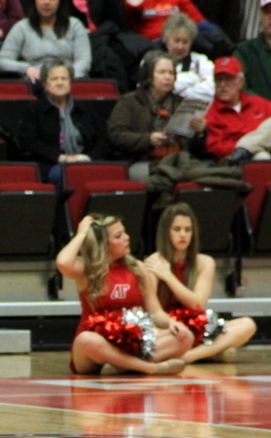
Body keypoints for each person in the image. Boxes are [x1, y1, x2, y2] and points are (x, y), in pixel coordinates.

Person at [56, 213, 192, 375]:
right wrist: (81, 234)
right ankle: (149, 368)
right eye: (118, 236)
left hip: (131, 344)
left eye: (125, 233)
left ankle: (120, 365)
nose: (127, 237)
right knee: (86, 340)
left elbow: (155, 311)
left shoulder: (137, 268)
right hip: (96, 347)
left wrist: (171, 323)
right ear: (104, 244)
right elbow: (63, 263)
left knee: (185, 337)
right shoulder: (87, 269)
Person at [145, 203, 257, 363]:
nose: (183, 235)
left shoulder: (205, 262)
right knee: (159, 337)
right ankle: (214, 352)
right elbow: (154, 313)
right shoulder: (153, 263)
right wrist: (172, 324)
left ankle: (188, 357)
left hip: (195, 326)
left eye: (187, 230)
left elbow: (197, 305)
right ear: (165, 232)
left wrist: (169, 277)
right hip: (167, 328)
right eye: (177, 229)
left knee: (248, 325)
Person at [107, 50, 206, 182]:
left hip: (178, 160)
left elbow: (194, 148)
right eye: (161, 72)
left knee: (201, 175)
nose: (167, 77)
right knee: (167, 177)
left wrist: (199, 133)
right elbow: (116, 135)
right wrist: (148, 139)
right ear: (149, 75)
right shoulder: (130, 102)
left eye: (171, 73)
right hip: (143, 161)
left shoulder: (181, 103)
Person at [17, 58, 110, 194]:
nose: (60, 83)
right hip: (51, 164)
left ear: (70, 83)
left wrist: (87, 158)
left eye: (64, 79)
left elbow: (103, 140)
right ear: (45, 84)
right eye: (54, 79)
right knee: (65, 175)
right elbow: (29, 142)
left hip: (85, 161)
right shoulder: (34, 110)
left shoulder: (85, 108)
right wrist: (62, 158)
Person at [203, 56, 271, 163]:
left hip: (267, 152)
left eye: (228, 79)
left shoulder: (261, 104)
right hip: (234, 161)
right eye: (219, 79)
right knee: (262, 157)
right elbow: (215, 147)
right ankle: (243, 151)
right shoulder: (210, 112)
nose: (222, 84)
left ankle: (243, 150)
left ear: (241, 81)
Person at [0, 0, 92, 89]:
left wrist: (65, 76)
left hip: (69, 82)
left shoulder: (75, 25)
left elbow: (84, 61)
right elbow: (2, 61)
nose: (46, 2)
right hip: (35, 82)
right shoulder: (21, 27)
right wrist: (26, 68)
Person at [161, 13, 215, 101]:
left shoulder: (200, 61)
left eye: (185, 42)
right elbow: (156, 90)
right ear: (165, 39)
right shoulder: (154, 61)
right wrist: (195, 78)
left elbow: (213, 90)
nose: (180, 47)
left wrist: (179, 93)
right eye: (176, 41)